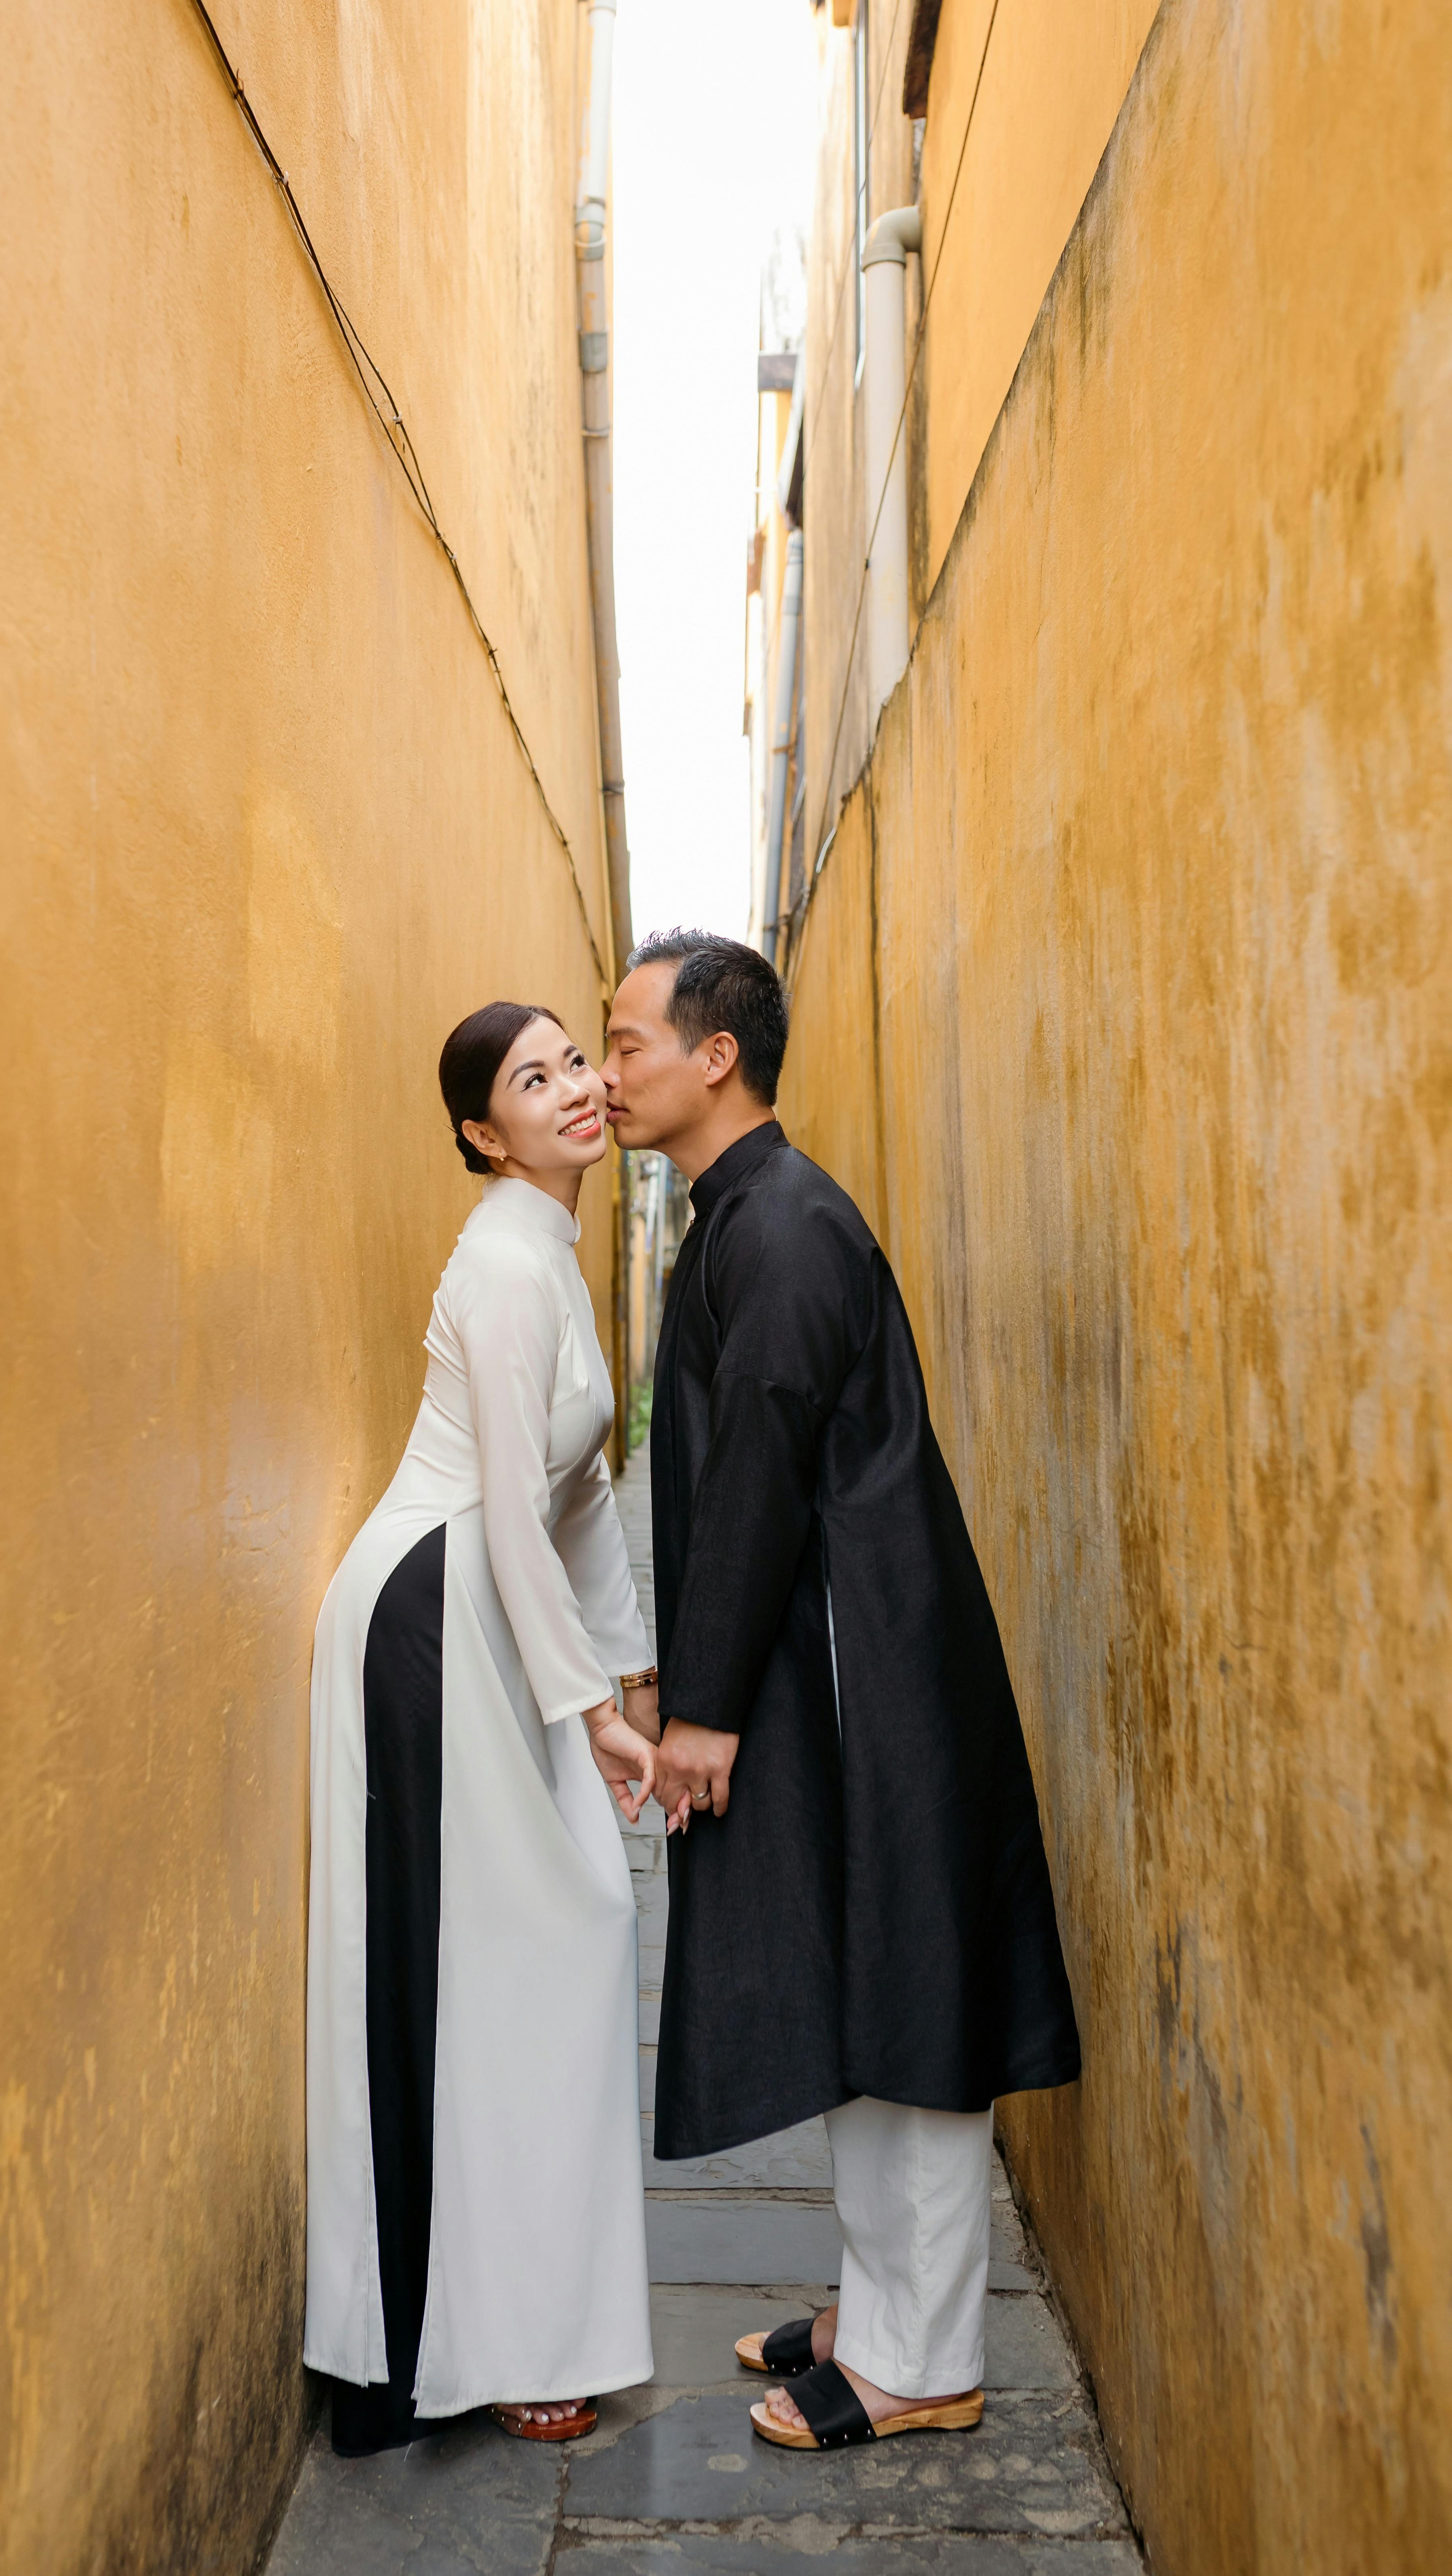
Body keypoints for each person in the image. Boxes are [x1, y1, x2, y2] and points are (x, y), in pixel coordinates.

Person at [602, 930, 1081, 2456]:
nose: (610, 1073)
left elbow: (758, 1473)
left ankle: (920, 2359)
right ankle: (881, 2305)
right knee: (859, 1976)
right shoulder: (749, 1211)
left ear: (711, 1056)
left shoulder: (784, 1228)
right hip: (831, 1652)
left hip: (855, 1662)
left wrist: (702, 1706)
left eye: (625, 1043)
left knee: (907, 1992)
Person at [304, 1002, 660, 2456]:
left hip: (485, 1608)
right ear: (479, 1132)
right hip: (432, 1615)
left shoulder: (552, 1256)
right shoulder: (508, 1264)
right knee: (511, 1958)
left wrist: (624, 1679)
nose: (575, 1088)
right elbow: (511, 1503)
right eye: (534, 1078)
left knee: (553, 1949)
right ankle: (452, 2338)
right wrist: (587, 1706)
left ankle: (516, 2314)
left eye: (578, 1059)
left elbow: (582, 1498)